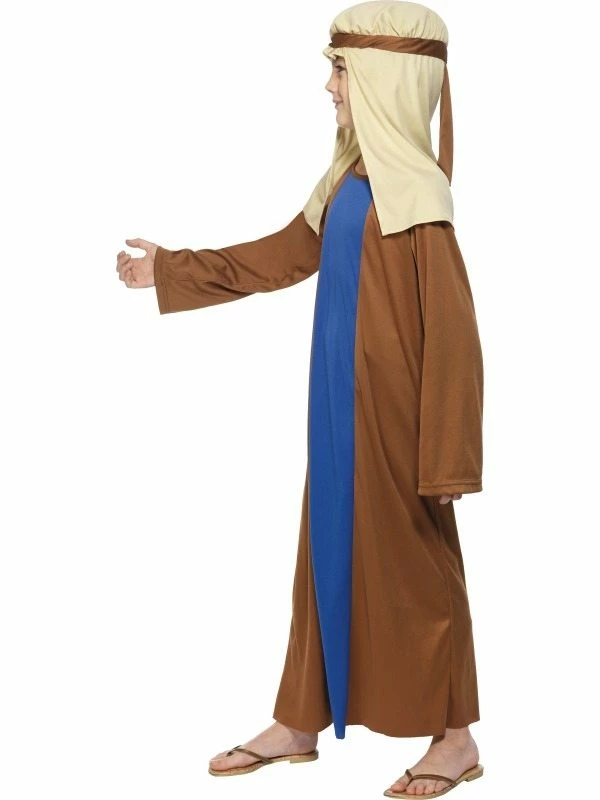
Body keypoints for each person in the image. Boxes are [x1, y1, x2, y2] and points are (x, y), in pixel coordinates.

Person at [115, 2, 485, 797]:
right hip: (337, 405)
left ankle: (455, 739)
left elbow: (457, 342)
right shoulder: (349, 182)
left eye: (341, 71)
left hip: (397, 418)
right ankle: (299, 719)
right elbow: (283, 256)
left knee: (420, 569)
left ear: (384, 79)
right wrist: (173, 269)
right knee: (326, 551)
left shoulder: (419, 201)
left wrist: (450, 452)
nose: (330, 87)